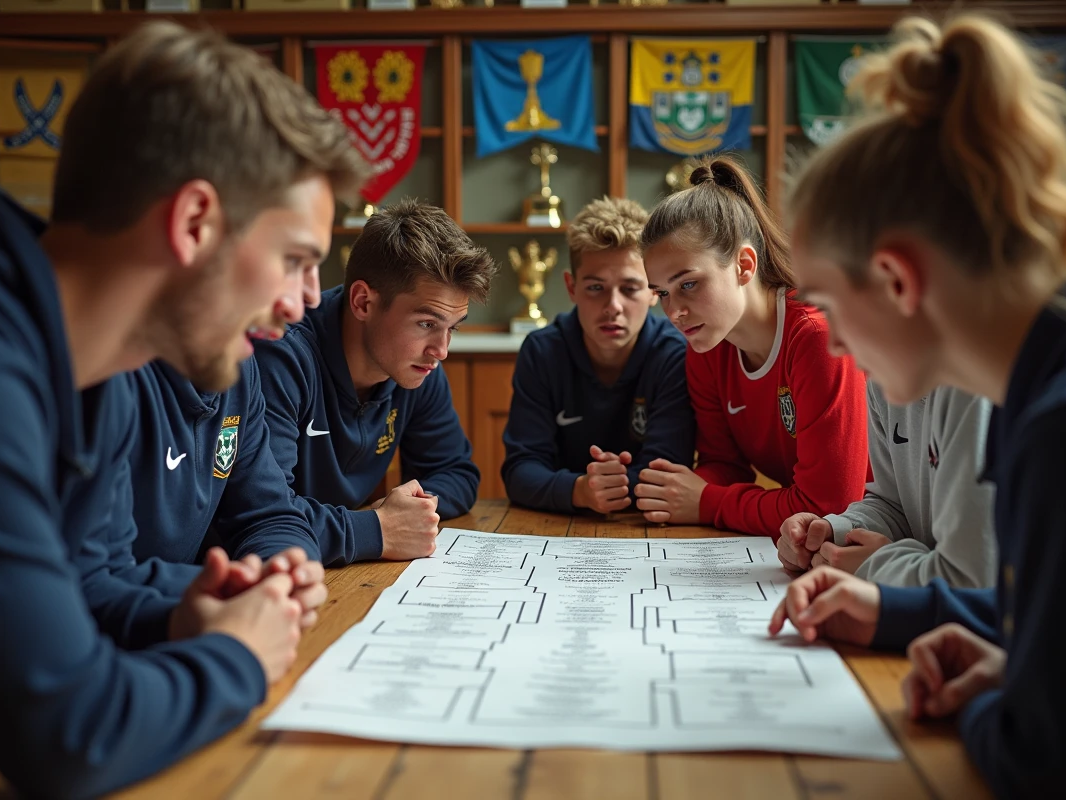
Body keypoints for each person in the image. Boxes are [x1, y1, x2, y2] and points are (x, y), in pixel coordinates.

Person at [0, 21, 363, 797]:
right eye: (295, 259)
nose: (303, 304)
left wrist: (177, 620)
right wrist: (238, 657)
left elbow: (89, 579)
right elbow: (72, 736)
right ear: (194, 222)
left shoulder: (94, 361)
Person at [766, 14, 1066, 796]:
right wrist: (905, 620)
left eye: (832, 307)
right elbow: (1059, 624)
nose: (832, 347)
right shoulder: (1056, 379)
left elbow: (1055, 762)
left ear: (899, 282)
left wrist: (1002, 700)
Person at [635, 155, 870, 537]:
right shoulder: (705, 346)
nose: (673, 312)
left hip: (897, 537)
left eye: (688, 284)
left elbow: (829, 507)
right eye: (662, 292)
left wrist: (707, 502)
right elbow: (723, 466)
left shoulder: (815, 336)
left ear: (745, 265)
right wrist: (670, 492)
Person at [256, 199, 497, 565]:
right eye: (426, 324)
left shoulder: (417, 364)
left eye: (453, 328)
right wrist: (376, 528)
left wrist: (410, 513)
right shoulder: (282, 358)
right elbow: (263, 518)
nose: (441, 350)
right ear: (363, 302)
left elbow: (456, 473)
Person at [105, 263, 330, 599]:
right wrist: (233, 592)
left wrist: (284, 573)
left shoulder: (238, 366)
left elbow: (269, 515)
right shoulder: (111, 374)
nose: (309, 299)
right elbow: (98, 580)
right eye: (292, 261)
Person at [501, 196, 695, 514]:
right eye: (595, 288)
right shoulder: (541, 352)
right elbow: (520, 470)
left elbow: (666, 478)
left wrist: (609, 487)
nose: (613, 306)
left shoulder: (674, 356)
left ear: (653, 291)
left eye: (630, 288)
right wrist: (579, 490)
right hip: (557, 528)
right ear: (571, 287)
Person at [777, 383, 997, 588]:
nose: (837, 346)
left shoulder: (973, 393)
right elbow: (895, 504)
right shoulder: (880, 383)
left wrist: (876, 565)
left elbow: (971, 582)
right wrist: (840, 531)